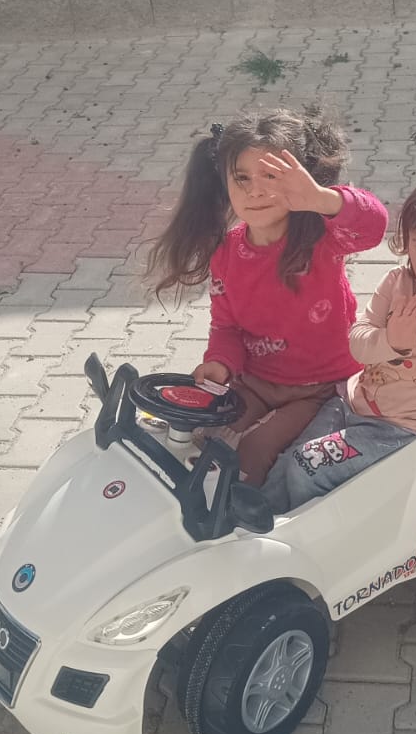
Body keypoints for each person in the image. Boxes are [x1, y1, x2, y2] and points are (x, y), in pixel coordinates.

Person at [145, 106, 388, 486]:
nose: (255, 190)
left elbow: (373, 225)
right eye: (241, 177)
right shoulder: (227, 252)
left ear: (300, 177)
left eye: (271, 176)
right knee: (206, 438)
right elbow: (226, 326)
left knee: (254, 452)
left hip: (321, 389)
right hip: (254, 382)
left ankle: (250, 520)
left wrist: (321, 199)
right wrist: (219, 363)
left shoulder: (324, 237)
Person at [264, 172, 416, 512]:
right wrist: (391, 342)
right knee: (287, 460)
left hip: (400, 429)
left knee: (308, 465)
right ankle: (254, 524)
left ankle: (311, 536)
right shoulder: (397, 282)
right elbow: (358, 343)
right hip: (352, 402)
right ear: (407, 243)